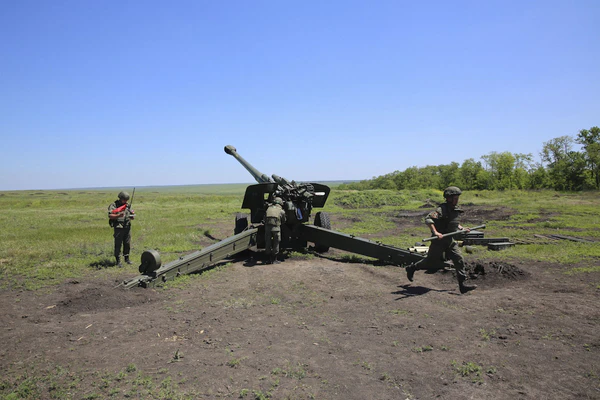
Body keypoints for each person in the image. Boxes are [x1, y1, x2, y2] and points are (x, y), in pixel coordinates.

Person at [405, 186, 477, 294]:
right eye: (455, 198)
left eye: (457, 198)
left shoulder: (455, 209)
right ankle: (412, 268)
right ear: (448, 198)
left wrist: (461, 228)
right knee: (430, 262)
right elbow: (428, 219)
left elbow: (453, 222)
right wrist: (436, 232)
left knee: (459, 259)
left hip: (450, 240)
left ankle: (462, 285)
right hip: (439, 241)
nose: (457, 200)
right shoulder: (441, 209)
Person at [108, 191, 135, 267]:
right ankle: (118, 261)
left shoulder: (127, 206)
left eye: (126, 200)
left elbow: (130, 214)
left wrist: (132, 216)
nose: (125, 201)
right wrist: (118, 216)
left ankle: (127, 259)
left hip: (127, 227)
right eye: (124, 200)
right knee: (118, 244)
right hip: (119, 227)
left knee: (127, 243)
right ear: (120, 198)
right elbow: (110, 215)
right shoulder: (114, 205)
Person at [264, 197, 286, 264]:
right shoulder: (281, 211)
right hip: (276, 229)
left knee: (268, 242)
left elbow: (264, 219)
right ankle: (274, 259)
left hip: (268, 228)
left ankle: (268, 259)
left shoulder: (268, 209)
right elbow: (284, 220)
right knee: (276, 243)